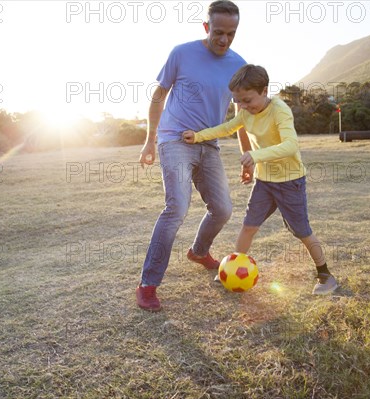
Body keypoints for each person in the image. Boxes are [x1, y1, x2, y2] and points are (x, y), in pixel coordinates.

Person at [183, 64, 338, 295]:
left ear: (264, 91)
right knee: (248, 227)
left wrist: (256, 156)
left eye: (247, 100)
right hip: (264, 182)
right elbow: (227, 128)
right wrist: (197, 136)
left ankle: (326, 275)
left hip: (290, 181)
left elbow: (290, 145)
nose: (243, 107)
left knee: (301, 231)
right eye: (239, 102)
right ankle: (233, 270)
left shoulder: (280, 110)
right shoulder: (246, 112)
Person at [136, 0, 252, 312]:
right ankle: (148, 284)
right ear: (206, 27)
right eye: (218, 32)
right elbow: (158, 96)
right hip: (174, 139)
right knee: (177, 208)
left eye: (231, 33)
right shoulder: (181, 53)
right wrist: (149, 141)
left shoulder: (239, 65)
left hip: (209, 144)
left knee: (223, 209)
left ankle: (199, 252)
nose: (224, 39)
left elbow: (241, 113)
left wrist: (247, 154)